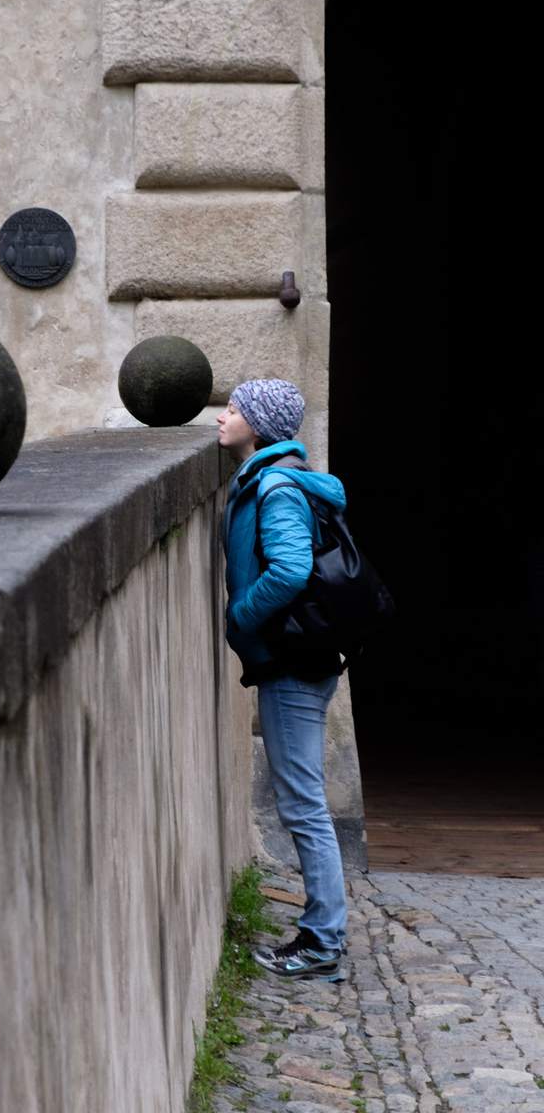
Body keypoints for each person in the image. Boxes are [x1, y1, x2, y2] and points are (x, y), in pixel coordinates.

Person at [217, 378, 348, 982]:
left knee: (302, 805)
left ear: (261, 424)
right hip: (300, 660)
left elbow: (291, 569)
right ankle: (322, 933)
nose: (223, 415)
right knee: (303, 801)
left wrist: (241, 615)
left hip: (294, 665)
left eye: (235, 408)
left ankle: (322, 942)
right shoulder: (277, 477)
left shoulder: (274, 487)